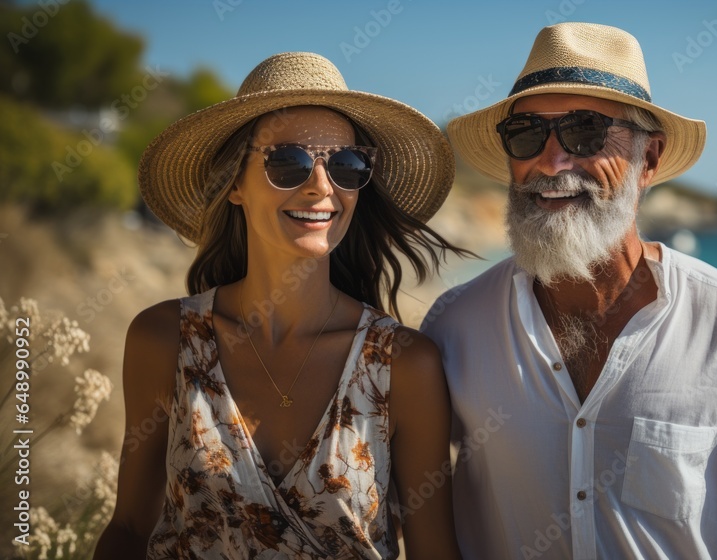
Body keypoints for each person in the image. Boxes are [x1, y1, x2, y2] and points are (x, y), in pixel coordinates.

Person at [424, 23, 717, 559]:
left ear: (650, 160)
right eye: (526, 134)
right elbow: (413, 499)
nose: (550, 161)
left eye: (585, 133)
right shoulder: (456, 325)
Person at [95, 52, 464, 559]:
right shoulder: (165, 339)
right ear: (235, 185)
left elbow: (435, 553)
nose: (320, 185)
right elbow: (130, 529)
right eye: (287, 162)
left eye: (346, 164)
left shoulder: (404, 366)